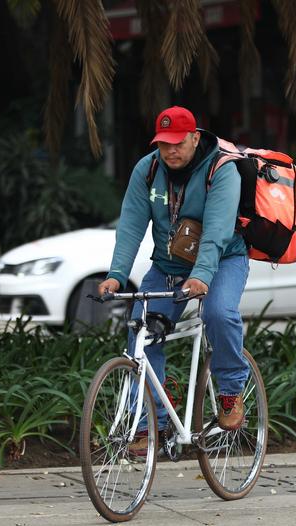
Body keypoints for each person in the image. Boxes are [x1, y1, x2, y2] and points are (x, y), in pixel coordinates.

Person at [97, 106, 250, 448]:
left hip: (223, 260)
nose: (171, 151)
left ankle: (230, 392)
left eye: (178, 143)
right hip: (168, 267)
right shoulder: (148, 169)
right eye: (164, 144)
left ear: (196, 138)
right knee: (141, 331)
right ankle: (150, 422)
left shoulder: (221, 170)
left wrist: (201, 277)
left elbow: (217, 232)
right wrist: (117, 274)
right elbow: (132, 225)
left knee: (218, 313)